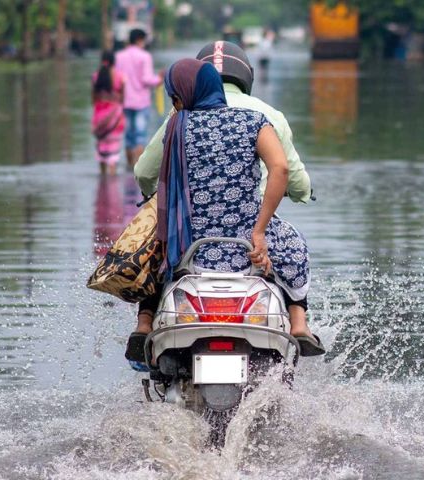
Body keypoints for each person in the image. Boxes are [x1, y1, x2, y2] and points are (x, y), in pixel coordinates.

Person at [125, 59, 324, 361]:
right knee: (294, 244)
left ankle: (144, 322)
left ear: (185, 96)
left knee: (155, 248)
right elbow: (281, 169)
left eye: (174, 97)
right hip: (247, 242)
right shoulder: (254, 121)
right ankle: (299, 323)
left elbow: (147, 172)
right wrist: (259, 231)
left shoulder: (177, 126)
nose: (175, 104)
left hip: (189, 244)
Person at [134, 41, 312, 204]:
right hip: (254, 223)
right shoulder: (266, 116)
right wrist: (301, 193)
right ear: (248, 74)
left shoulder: (180, 117)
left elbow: (144, 172)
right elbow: (294, 179)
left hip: (193, 227)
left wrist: (154, 196)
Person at [115, 29, 163, 169]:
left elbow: (117, 80)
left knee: (129, 137)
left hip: (124, 101)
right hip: (141, 102)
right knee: (140, 137)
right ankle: (138, 169)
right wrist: (159, 79)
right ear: (139, 39)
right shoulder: (144, 56)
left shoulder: (119, 56)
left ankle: (129, 166)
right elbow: (146, 79)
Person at [91, 51, 126, 175]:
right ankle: (111, 182)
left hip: (99, 117)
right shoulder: (121, 77)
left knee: (101, 149)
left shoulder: (95, 76)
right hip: (115, 119)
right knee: (113, 153)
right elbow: (123, 99)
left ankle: (103, 180)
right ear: (114, 62)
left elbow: (93, 99)